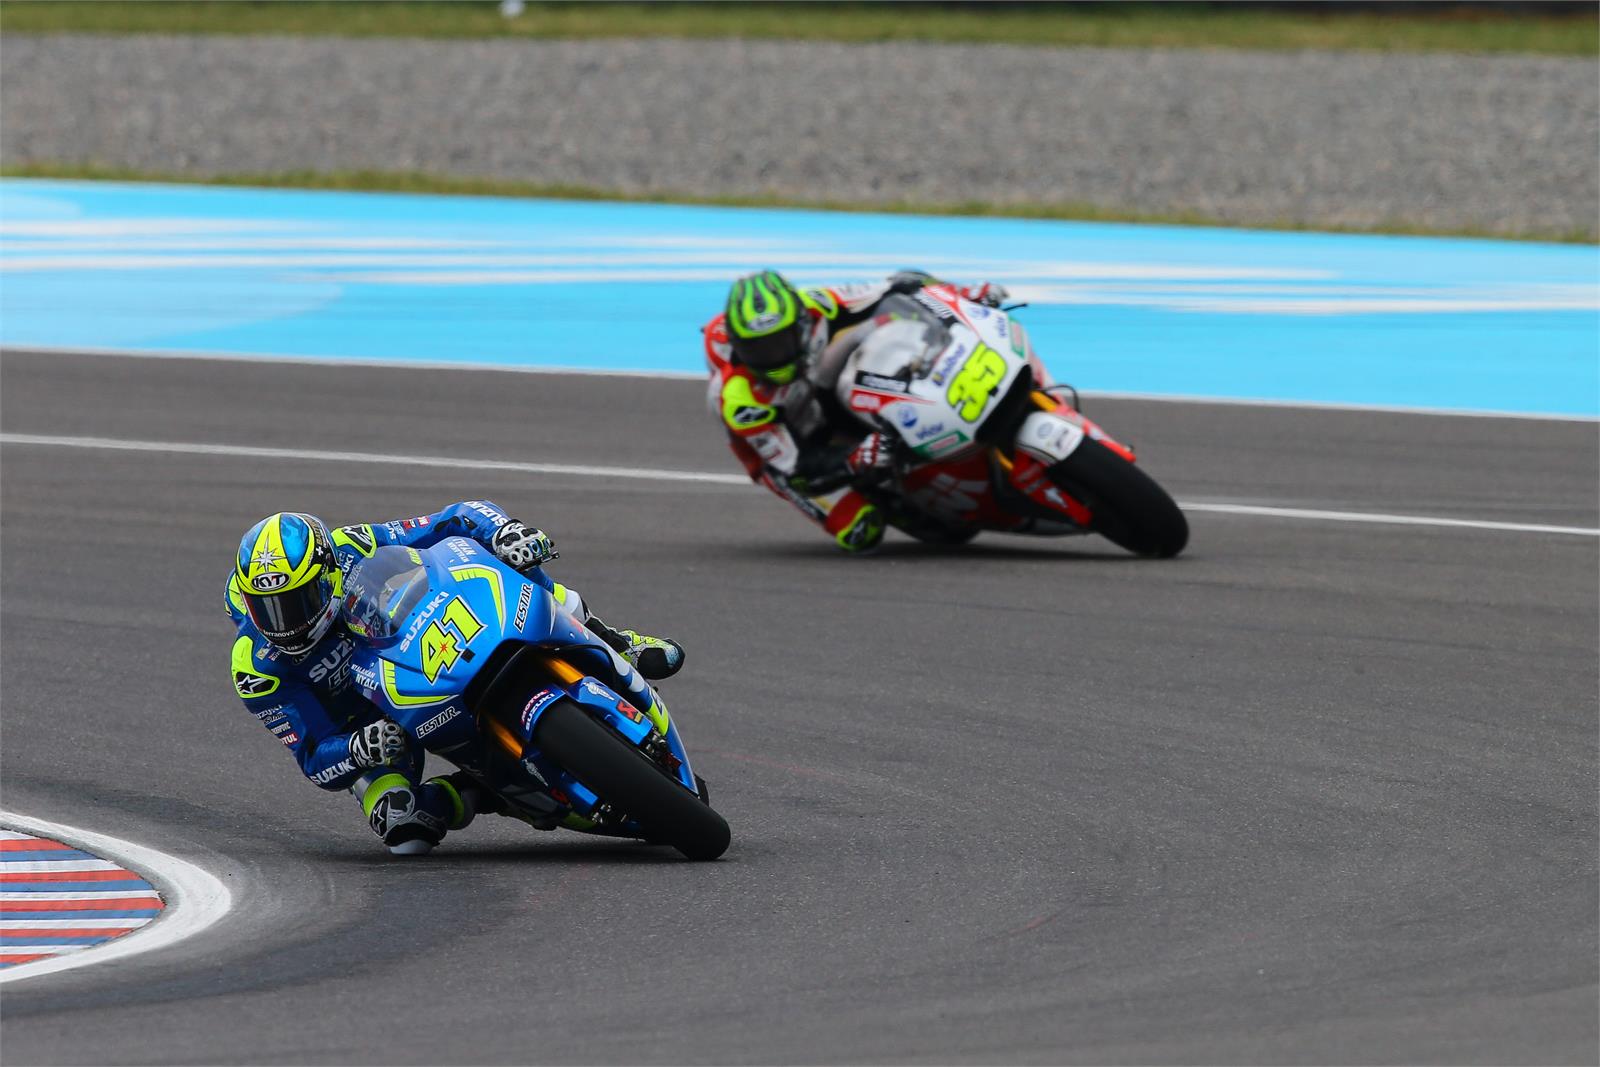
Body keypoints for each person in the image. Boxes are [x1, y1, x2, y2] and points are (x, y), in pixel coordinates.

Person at [226, 503, 683, 855]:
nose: (285, 623)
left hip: (411, 651)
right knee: (404, 830)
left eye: (298, 600)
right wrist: (359, 748)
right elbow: (313, 757)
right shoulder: (256, 668)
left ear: (325, 576)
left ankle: (611, 638)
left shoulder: (350, 546)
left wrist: (503, 531)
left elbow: (454, 518)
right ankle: (477, 794)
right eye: (268, 608)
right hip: (370, 723)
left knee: (513, 561)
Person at [703, 269, 1009, 552]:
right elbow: (797, 466)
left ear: (801, 323)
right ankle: (884, 494)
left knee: (874, 347)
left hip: (816, 383)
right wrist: (854, 458)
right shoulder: (740, 402)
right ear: (739, 346)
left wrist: (960, 296)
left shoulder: (818, 304)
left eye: (780, 343)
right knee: (861, 530)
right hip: (778, 443)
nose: (774, 357)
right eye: (759, 350)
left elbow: (899, 285)